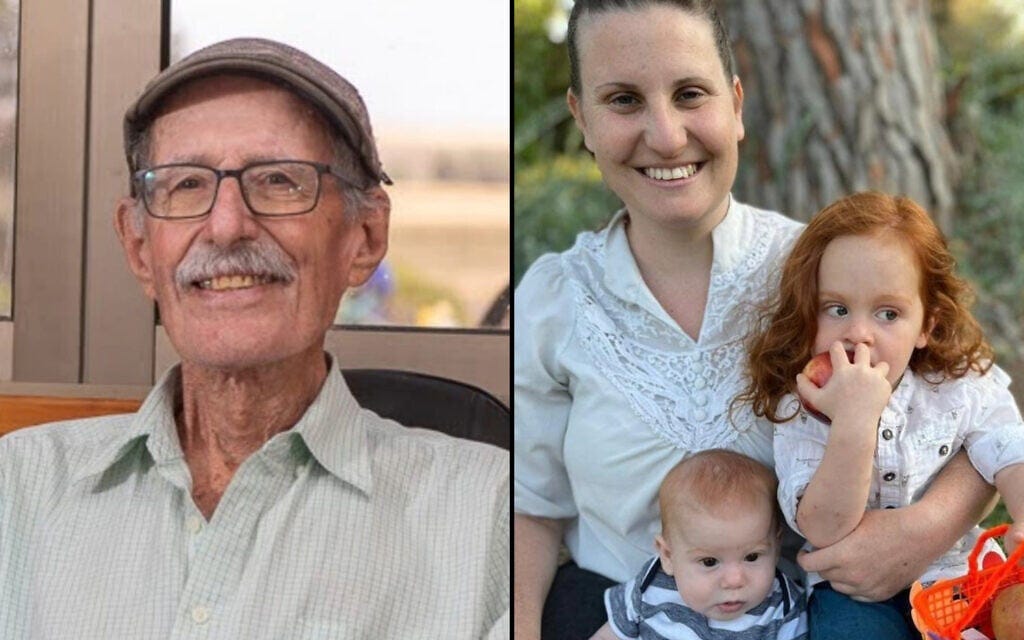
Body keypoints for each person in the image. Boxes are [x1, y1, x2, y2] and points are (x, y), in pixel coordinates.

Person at [513, 2, 995, 639]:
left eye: (690, 94)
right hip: (622, 617)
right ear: (583, 119)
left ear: (736, 104)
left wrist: (923, 529)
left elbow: (980, 413)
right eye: (623, 100)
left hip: (812, 617)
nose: (665, 135)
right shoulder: (554, 297)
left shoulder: (826, 275)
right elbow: (532, 509)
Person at [0, 38, 508, 638]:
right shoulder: (17, 486)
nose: (227, 225)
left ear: (365, 237)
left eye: (278, 180)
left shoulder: (488, 514)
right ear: (139, 249)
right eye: (186, 184)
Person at [741, 192, 1024, 639]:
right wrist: (853, 420)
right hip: (853, 593)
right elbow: (823, 526)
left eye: (888, 313)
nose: (858, 333)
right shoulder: (802, 407)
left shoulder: (956, 385)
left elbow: (1008, 445)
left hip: (955, 575)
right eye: (837, 309)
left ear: (926, 327)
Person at [591, 450, 808, 640]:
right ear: (668, 555)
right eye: (709, 561)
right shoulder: (650, 587)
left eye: (752, 557)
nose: (734, 580)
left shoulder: (782, 607)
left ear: (776, 547)